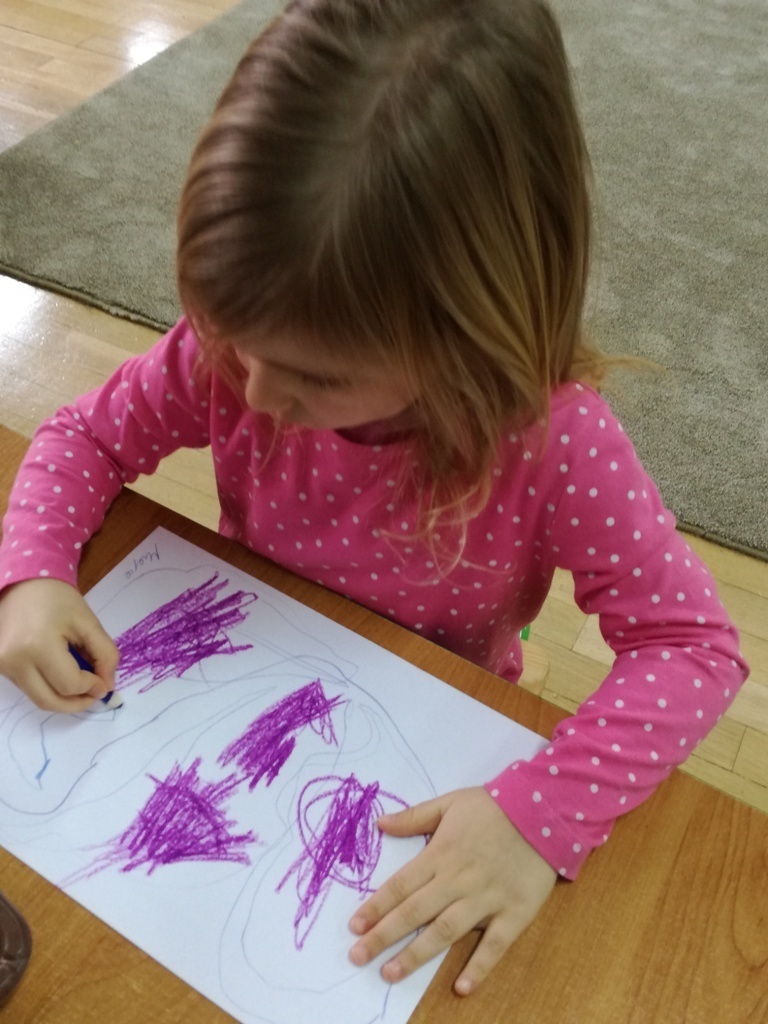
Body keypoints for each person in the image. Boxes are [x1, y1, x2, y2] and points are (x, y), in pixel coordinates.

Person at [0, 0, 748, 998]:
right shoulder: (243, 355)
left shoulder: (553, 442)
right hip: (250, 663)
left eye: (315, 377)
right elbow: (83, 435)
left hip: (432, 723)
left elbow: (694, 649)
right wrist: (33, 576)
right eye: (231, 338)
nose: (256, 393)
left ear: (465, 332)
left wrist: (537, 815)